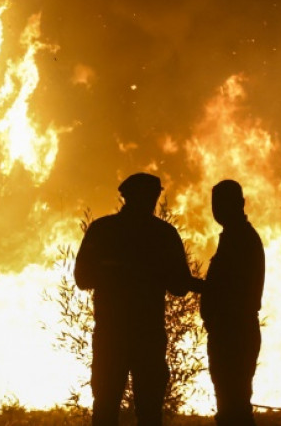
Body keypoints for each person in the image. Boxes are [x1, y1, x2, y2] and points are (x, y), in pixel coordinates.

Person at [75, 172, 201, 426]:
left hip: (112, 336)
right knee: (149, 412)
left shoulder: (102, 230)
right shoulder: (163, 234)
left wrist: (114, 272)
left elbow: (82, 278)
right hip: (146, 337)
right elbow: (179, 285)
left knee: (106, 409)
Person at [200, 180, 265, 426]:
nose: (216, 210)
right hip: (232, 331)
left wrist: (194, 284)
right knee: (232, 403)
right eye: (214, 204)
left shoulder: (240, 239)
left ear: (239, 203)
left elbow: (228, 288)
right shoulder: (236, 236)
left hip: (233, 332)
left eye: (221, 203)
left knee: (232, 406)